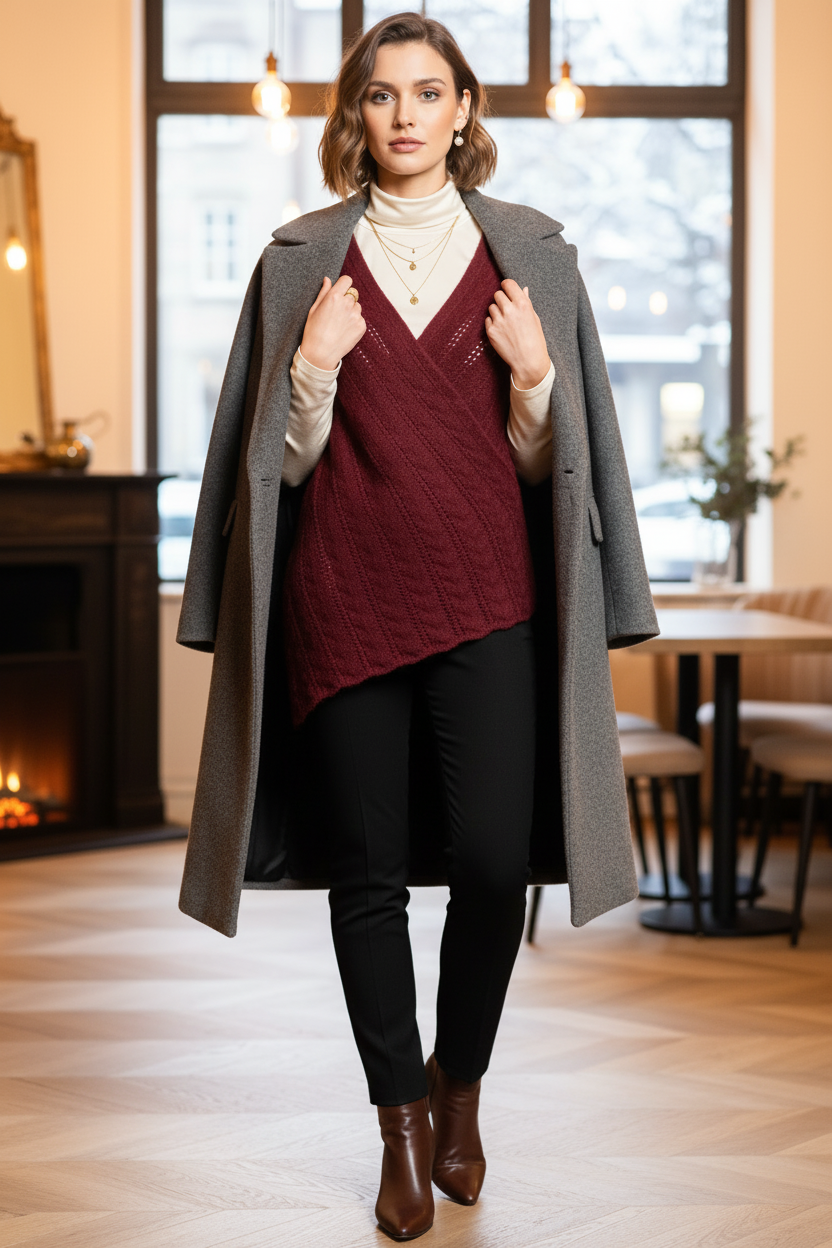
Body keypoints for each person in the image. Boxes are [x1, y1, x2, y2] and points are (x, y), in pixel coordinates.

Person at [176, 12, 658, 1242]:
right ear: (359, 114)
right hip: (342, 606)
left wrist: (539, 376)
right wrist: (314, 371)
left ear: (462, 110)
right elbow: (269, 471)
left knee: (497, 865)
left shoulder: (533, 256)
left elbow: (556, 462)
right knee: (368, 882)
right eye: (382, 94)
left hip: (492, 602)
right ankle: (397, 1125)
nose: (403, 114)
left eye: (426, 92)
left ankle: (461, 1088)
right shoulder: (299, 264)